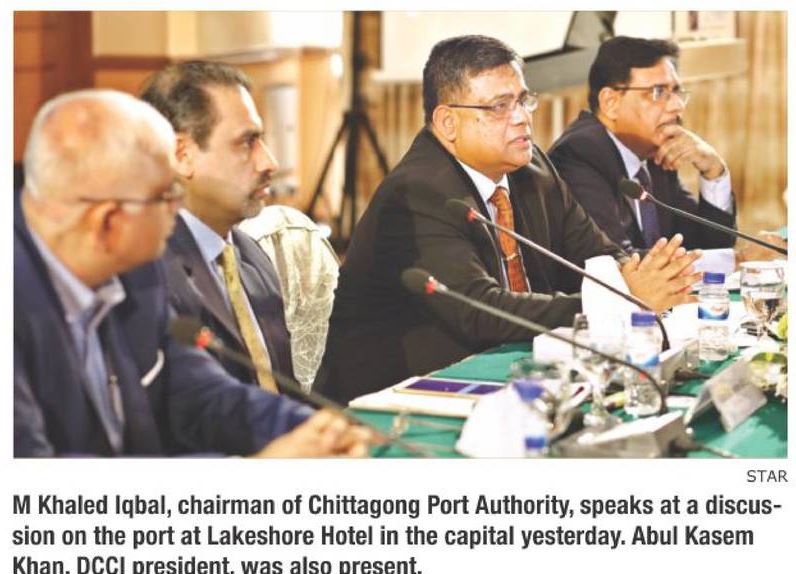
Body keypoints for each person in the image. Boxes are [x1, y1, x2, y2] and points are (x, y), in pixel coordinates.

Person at [318, 35, 702, 403]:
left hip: (509, 374)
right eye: (499, 107)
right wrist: (621, 300)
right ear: (448, 122)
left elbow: (595, 252)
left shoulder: (533, 169)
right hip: (396, 398)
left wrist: (650, 274)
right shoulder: (418, 192)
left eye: (522, 100)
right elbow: (480, 310)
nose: (521, 118)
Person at [14, 89, 370, 457]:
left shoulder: (138, 270)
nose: (179, 207)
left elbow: (201, 393)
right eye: (166, 196)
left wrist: (313, 431)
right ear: (108, 222)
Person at [140, 62, 294, 394]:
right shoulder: (151, 272)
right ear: (182, 155)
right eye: (247, 142)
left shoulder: (251, 256)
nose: (269, 162)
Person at [548, 36, 736, 256]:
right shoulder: (579, 155)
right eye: (659, 92)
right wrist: (736, 259)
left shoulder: (653, 152)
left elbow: (705, 243)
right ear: (610, 102)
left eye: (676, 92)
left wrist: (713, 168)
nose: (677, 106)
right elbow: (618, 261)